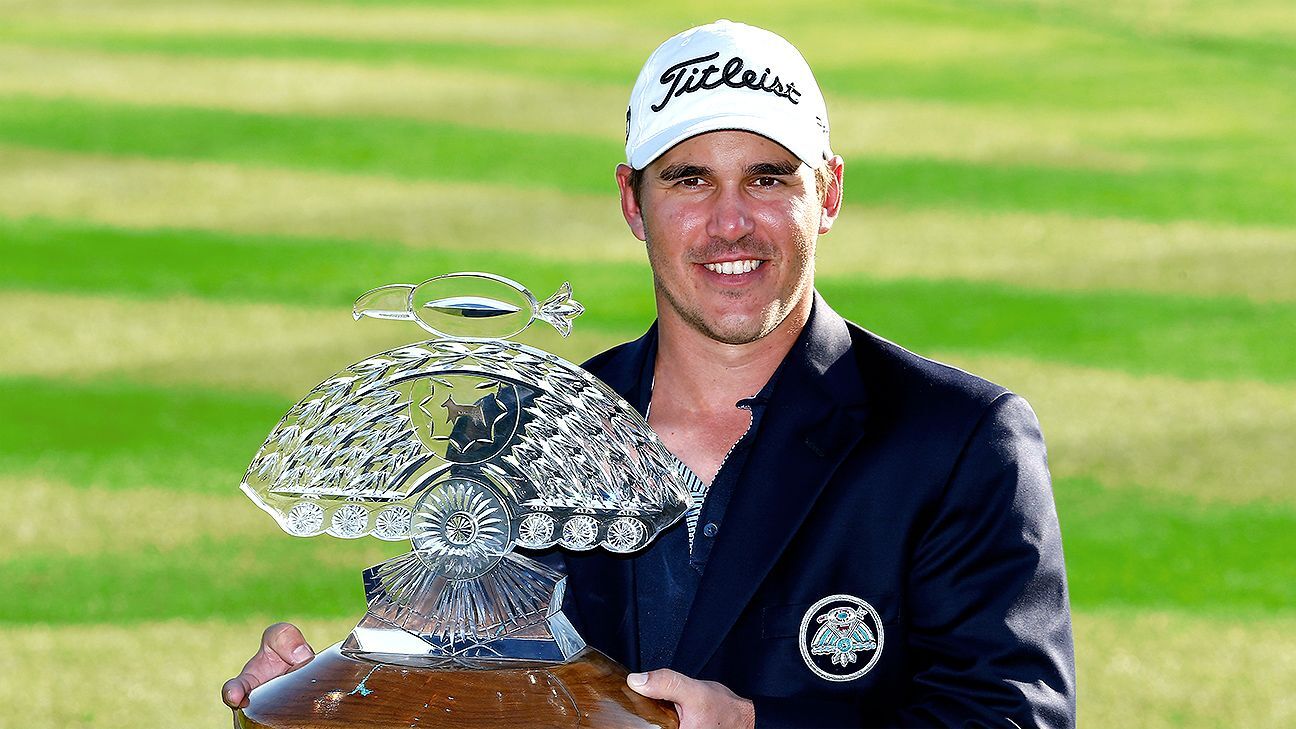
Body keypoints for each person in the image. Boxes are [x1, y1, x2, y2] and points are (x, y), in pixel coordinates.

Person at [223, 20, 1076, 728]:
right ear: (634, 202)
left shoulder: (956, 439)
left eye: (769, 178)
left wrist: (756, 726)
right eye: (690, 180)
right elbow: (466, 692)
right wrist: (329, 693)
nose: (731, 222)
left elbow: (1010, 717)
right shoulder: (522, 431)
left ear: (830, 193)